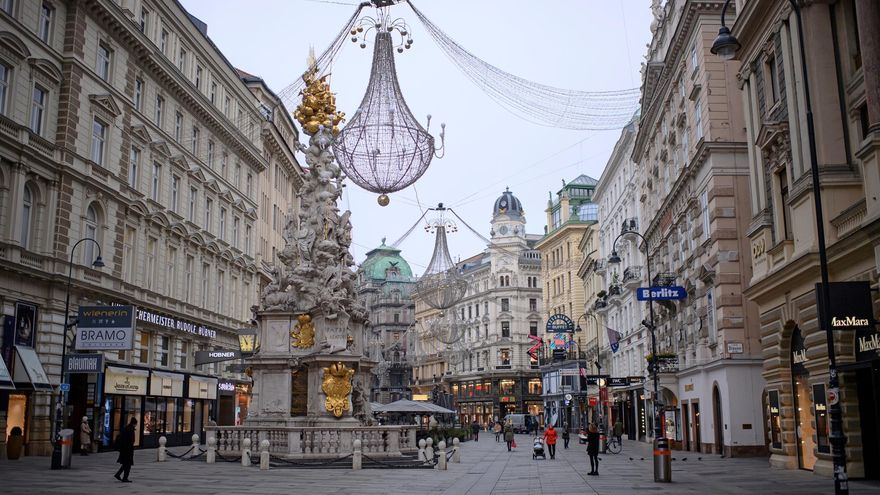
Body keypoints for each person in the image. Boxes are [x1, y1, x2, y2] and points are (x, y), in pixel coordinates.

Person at [114, 417, 137, 483]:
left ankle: (118, 474)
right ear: (134, 423)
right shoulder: (131, 429)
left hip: (123, 449)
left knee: (125, 464)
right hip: (128, 449)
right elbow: (131, 440)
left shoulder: (126, 428)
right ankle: (125, 478)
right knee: (128, 464)